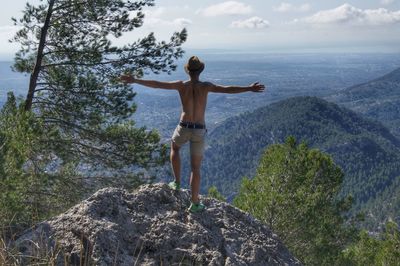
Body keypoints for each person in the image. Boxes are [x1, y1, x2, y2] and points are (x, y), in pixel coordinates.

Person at [120, 56, 265, 212]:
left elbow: (157, 85)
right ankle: (195, 203)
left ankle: (176, 182)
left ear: (187, 70)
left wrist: (135, 80)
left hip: (184, 126)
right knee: (195, 169)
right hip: (199, 130)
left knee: (175, 148)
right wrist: (249, 88)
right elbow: (228, 89)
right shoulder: (206, 86)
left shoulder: (181, 85)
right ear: (201, 70)